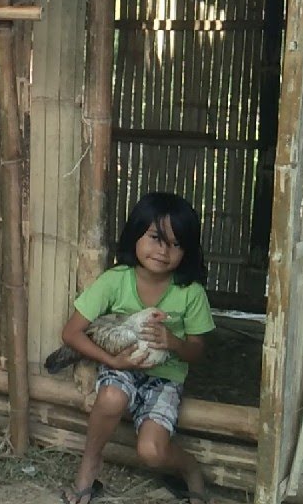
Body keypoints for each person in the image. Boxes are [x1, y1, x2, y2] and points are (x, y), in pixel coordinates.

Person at [57, 192, 216, 504]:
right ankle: (89, 468)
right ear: (136, 234)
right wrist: (112, 362)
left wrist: (174, 343)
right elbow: (71, 333)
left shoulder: (191, 294)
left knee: (151, 452)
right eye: (155, 237)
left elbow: (198, 351)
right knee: (112, 396)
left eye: (176, 243)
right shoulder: (115, 281)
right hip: (121, 365)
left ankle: (191, 470)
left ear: (187, 250)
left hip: (165, 377)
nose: (163, 250)